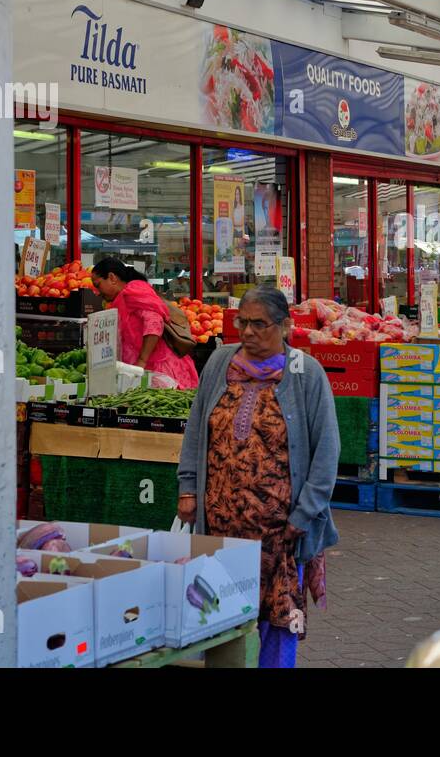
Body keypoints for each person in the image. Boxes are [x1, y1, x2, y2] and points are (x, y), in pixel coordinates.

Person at [177, 285, 339, 668]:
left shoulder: (305, 373)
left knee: (276, 617)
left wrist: (306, 513)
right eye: (242, 322)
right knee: (219, 609)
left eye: (259, 324)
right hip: (220, 524)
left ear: (284, 327)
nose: (248, 332)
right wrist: (188, 487)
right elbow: (196, 428)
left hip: (280, 531)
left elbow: (327, 450)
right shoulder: (219, 362)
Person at [91, 257, 199, 388]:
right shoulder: (123, 297)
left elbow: (154, 323)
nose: (97, 292)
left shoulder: (133, 292)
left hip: (157, 369)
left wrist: (142, 361)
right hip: (140, 370)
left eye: (98, 285)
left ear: (112, 277)